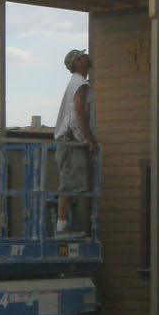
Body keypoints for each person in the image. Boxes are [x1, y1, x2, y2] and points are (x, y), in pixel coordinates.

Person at [53, 47, 98, 235]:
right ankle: (62, 226)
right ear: (78, 63)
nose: (87, 57)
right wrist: (90, 139)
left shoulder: (76, 82)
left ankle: (65, 224)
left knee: (72, 184)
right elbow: (79, 110)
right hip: (72, 141)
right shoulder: (80, 83)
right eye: (83, 56)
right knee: (69, 184)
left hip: (69, 140)